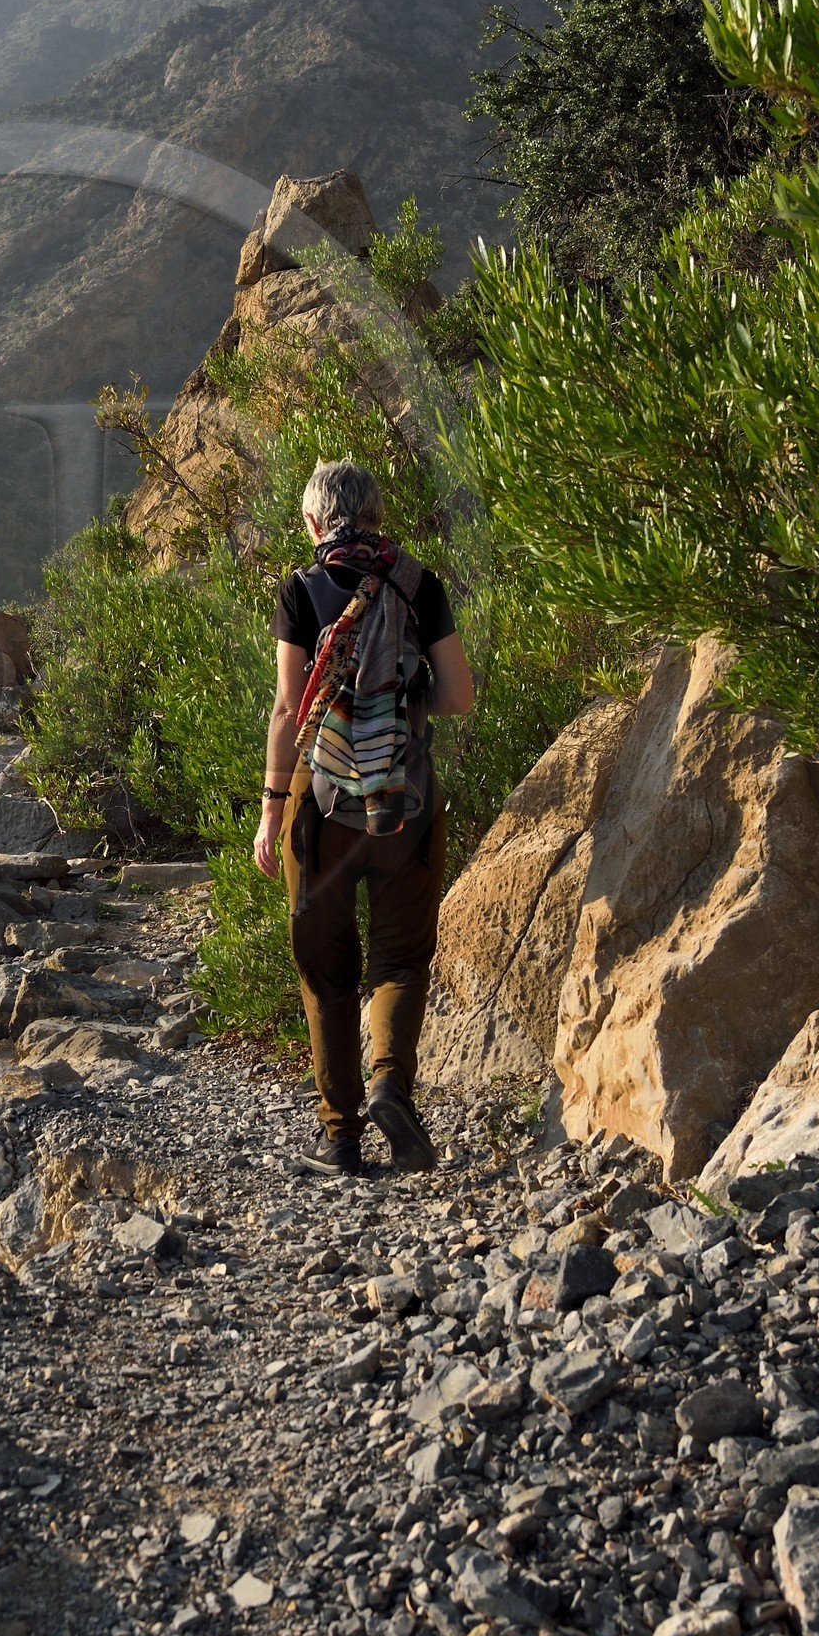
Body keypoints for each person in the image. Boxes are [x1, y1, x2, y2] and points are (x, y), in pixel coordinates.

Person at [252, 459, 475, 1176]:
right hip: (407, 804)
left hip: (321, 809)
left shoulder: (301, 589)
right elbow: (459, 695)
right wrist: (397, 709)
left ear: (313, 522)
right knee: (401, 960)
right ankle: (390, 1086)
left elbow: (289, 710)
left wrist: (271, 812)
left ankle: (341, 1137)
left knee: (327, 973)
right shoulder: (419, 583)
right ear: (377, 515)